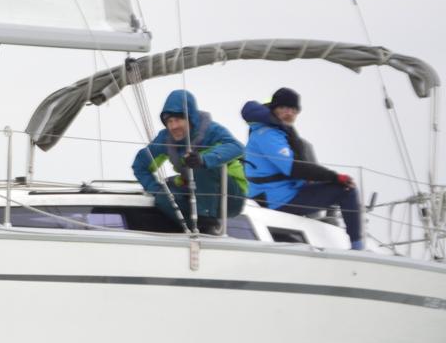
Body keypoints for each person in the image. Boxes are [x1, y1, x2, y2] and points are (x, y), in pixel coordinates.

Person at [241, 87, 364, 250]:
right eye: (284, 108)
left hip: (283, 192)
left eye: (294, 110)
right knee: (346, 190)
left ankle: (341, 231)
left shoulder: (277, 130)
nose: (289, 113)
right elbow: (292, 168)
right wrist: (334, 176)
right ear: (274, 108)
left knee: (335, 186)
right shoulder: (267, 134)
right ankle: (358, 247)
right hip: (275, 199)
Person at [132, 89, 247, 234]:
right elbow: (140, 165)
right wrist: (155, 189)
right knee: (163, 197)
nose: (173, 126)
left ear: (190, 118)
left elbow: (237, 147)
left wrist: (204, 160)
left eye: (178, 120)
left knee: (197, 164)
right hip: (195, 194)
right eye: (169, 121)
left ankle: (207, 222)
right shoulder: (165, 139)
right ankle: (197, 231)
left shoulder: (212, 131)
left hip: (230, 197)